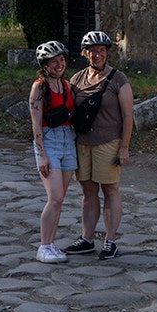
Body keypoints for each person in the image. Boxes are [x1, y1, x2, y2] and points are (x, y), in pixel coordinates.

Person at [63, 30, 133, 260]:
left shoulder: (118, 80)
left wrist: (124, 147)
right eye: (93, 51)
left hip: (108, 142)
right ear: (85, 53)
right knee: (88, 191)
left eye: (101, 51)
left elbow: (128, 116)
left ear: (107, 53)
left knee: (110, 189)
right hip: (83, 143)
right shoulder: (77, 79)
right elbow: (69, 108)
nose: (97, 55)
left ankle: (110, 241)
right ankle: (87, 238)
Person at [28, 40, 76, 264]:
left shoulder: (66, 85)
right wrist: (42, 154)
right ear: (44, 65)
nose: (59, 64)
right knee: (54, 197)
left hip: (67, 139)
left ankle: (52, 243)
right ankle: (44, 245)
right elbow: (36, 123)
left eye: (61, 60)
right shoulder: (40, 87)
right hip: (49, 140)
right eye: (54, 61)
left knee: (60, 198)